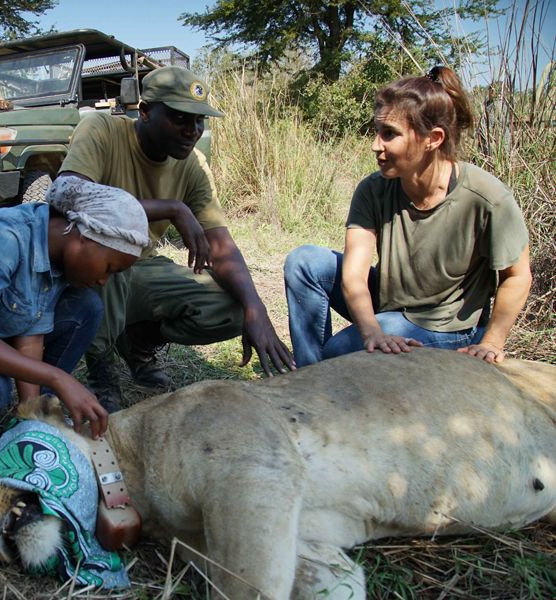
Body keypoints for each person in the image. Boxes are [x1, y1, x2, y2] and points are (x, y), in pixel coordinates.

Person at [58, 65, 295, 411]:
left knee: (231, 308)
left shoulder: (193, 163)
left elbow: (221, 243)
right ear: (145, 111)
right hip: (93, 266)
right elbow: (66, 194)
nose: (193, 130)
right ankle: (102, 370)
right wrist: (170, 208)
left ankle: (136, 341)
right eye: (180, 118)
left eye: (199, 120)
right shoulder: (102, 129)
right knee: (106, 273)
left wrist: (255, 309)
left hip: (144, 266)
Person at [284, 66, 531, 367]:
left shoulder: (488, 198)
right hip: (392, 304)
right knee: (304, 261)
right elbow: (353, 275)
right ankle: (309, 375)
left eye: (390, 134)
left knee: (338, 352)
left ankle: (321, 372)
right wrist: (372, 331)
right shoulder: (373, 189)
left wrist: (492, 341)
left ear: (433, 139)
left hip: (447, 325)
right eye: (377, 132)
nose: (376, 145)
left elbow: (517, 277)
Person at [0, 175, 151, 460]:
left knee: (86, 307)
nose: (104, 281)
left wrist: (31, 414)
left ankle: (39, 415)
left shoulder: (56, 250)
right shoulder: (4, 236)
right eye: (109, 268)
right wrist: (60, 378)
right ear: (84, 236)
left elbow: (31, 330)